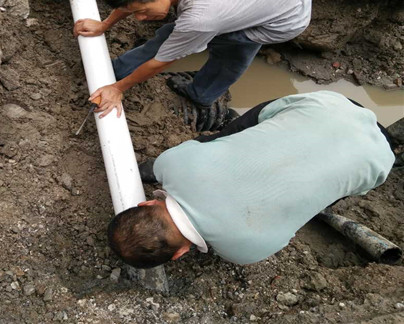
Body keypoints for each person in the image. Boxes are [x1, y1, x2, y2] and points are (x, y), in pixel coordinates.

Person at [107, 91, 395, 269]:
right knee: (224, 138)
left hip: (378, 157)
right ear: (146, 203)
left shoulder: (246, 251)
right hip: (327, 104)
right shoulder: (172, 163)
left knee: (324, 194)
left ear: (180, 254)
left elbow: (289, 228)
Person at [73, 0, 312, 118]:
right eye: (135, 13)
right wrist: (104, 24)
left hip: (285, 18)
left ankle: (201, 95)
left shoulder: (200, 18)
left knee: (229, 49)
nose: (139, 19)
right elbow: (130, 2)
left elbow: (160, 62)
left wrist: (118, 88)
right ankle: (117, 71)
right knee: (177, 35)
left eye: (143, 12)